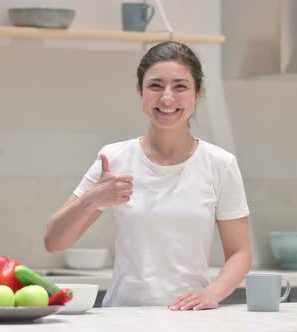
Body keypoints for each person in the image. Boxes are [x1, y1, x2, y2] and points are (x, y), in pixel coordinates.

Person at [44, 41, 251, 310]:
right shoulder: (114, 159)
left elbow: (240, 253)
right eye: (155, 85)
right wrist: (91, 200)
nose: (167, 98)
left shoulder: (220, 164)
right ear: (140, 90)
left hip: (190, 319)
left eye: (180, 86)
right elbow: (53, 241)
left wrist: (212, 293)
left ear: (198, 93)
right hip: (121, 317)